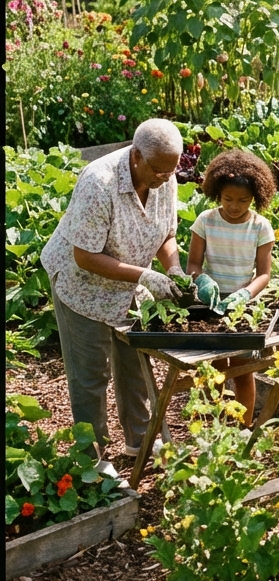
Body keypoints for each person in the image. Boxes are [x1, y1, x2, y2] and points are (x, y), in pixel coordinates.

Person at [40, 119, 185, 475]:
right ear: (136, 156)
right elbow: (84, 256)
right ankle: (93, 458)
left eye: (171, 170)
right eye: (158, 170)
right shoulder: (98, 182)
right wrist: (145, 274)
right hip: (81, 286)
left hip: (128, 283)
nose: (165, 178)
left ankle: (140, 438)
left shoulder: (163, 176)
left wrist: (175, 268)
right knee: (91, 375)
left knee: (134, 362)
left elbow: (166, 233)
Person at [186, 149, 277, 425]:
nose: (235, 206)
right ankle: (213, 426)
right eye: (228, 199)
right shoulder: (206, 221)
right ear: (217, 194)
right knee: (213, 369)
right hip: (210, 306)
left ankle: (243, 427)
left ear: (255, 198)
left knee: (242, 370)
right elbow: (192, 264)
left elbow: (264, 274)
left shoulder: (260, 227)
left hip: (241, 309)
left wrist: (244, 294)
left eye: (243, 201)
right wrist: (202, 280)